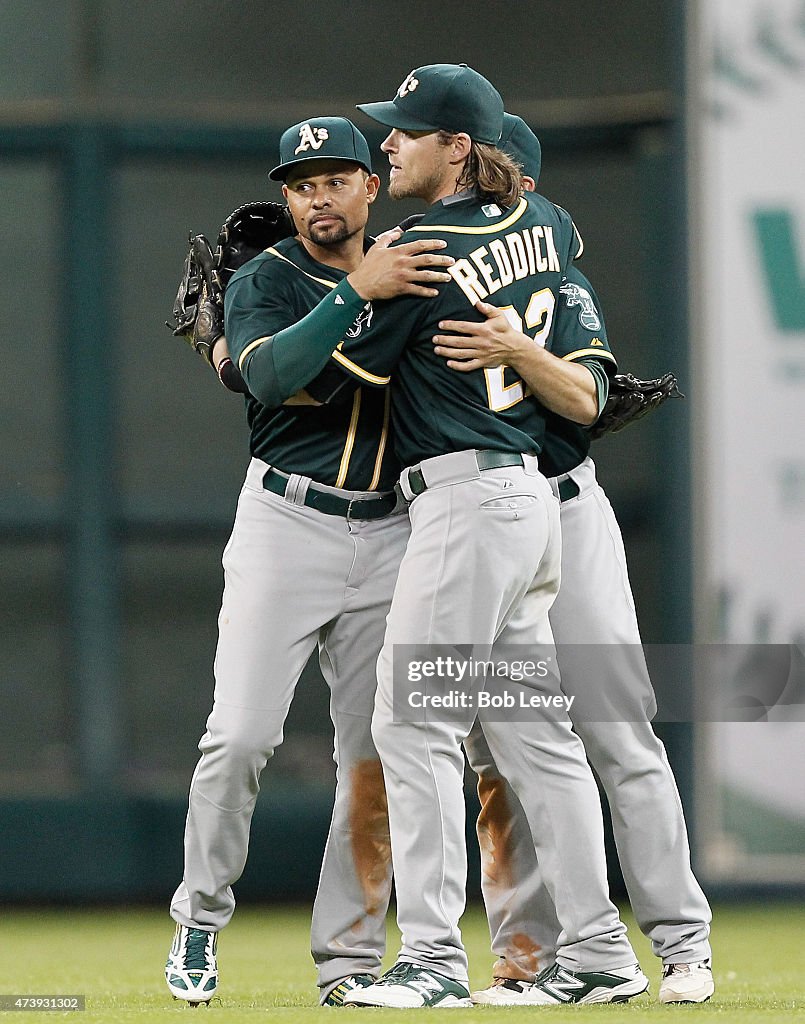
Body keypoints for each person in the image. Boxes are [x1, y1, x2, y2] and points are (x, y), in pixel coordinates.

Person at [226, 63, 648, 1008]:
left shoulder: (418, 247)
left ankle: (429, 962)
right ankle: (602, 956)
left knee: (410, 725)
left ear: (458, 148)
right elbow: (548, 260)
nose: (388, 145)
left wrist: (250, 336)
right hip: (531, 507)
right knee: (539, 740)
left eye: (406, 134)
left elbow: (310, 381)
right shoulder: (544, 224)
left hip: (465, 508)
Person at [165, 116, 456, 1007]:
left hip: (398, 527)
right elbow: (268, 374)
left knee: (370, 758)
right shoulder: (268, 276)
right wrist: (353, 293)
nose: (316, 195)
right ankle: (200, 918)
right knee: (241, 735)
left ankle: (350, 963)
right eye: (299, 183)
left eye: (334, 178)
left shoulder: (420, 260)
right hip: (288, 521)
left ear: (371, 185)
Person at [446, 115, 714, 1006]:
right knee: (505, 753)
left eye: (516, 175)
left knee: (616, 730)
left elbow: (589, 395)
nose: (509, 190)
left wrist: (519, 349)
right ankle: (536, 960)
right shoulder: (426, 264)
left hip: (566, 509)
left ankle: (682, 945)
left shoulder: (561, 282)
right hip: (477, 518)